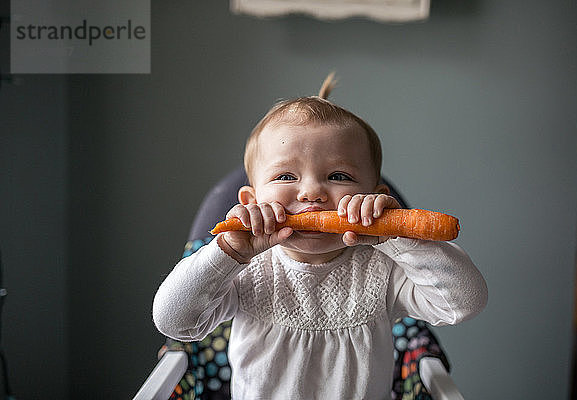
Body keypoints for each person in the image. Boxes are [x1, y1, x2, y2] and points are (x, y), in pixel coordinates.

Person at [153, 74, 488, 400]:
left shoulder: (384, 268)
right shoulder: (245, 271)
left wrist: (394, 234)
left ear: (375, 195)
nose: (312, 192)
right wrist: (228, 253)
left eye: (338, 175)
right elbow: (175, 322)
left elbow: (465, 302)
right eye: (286, 176)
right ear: (251, 203)